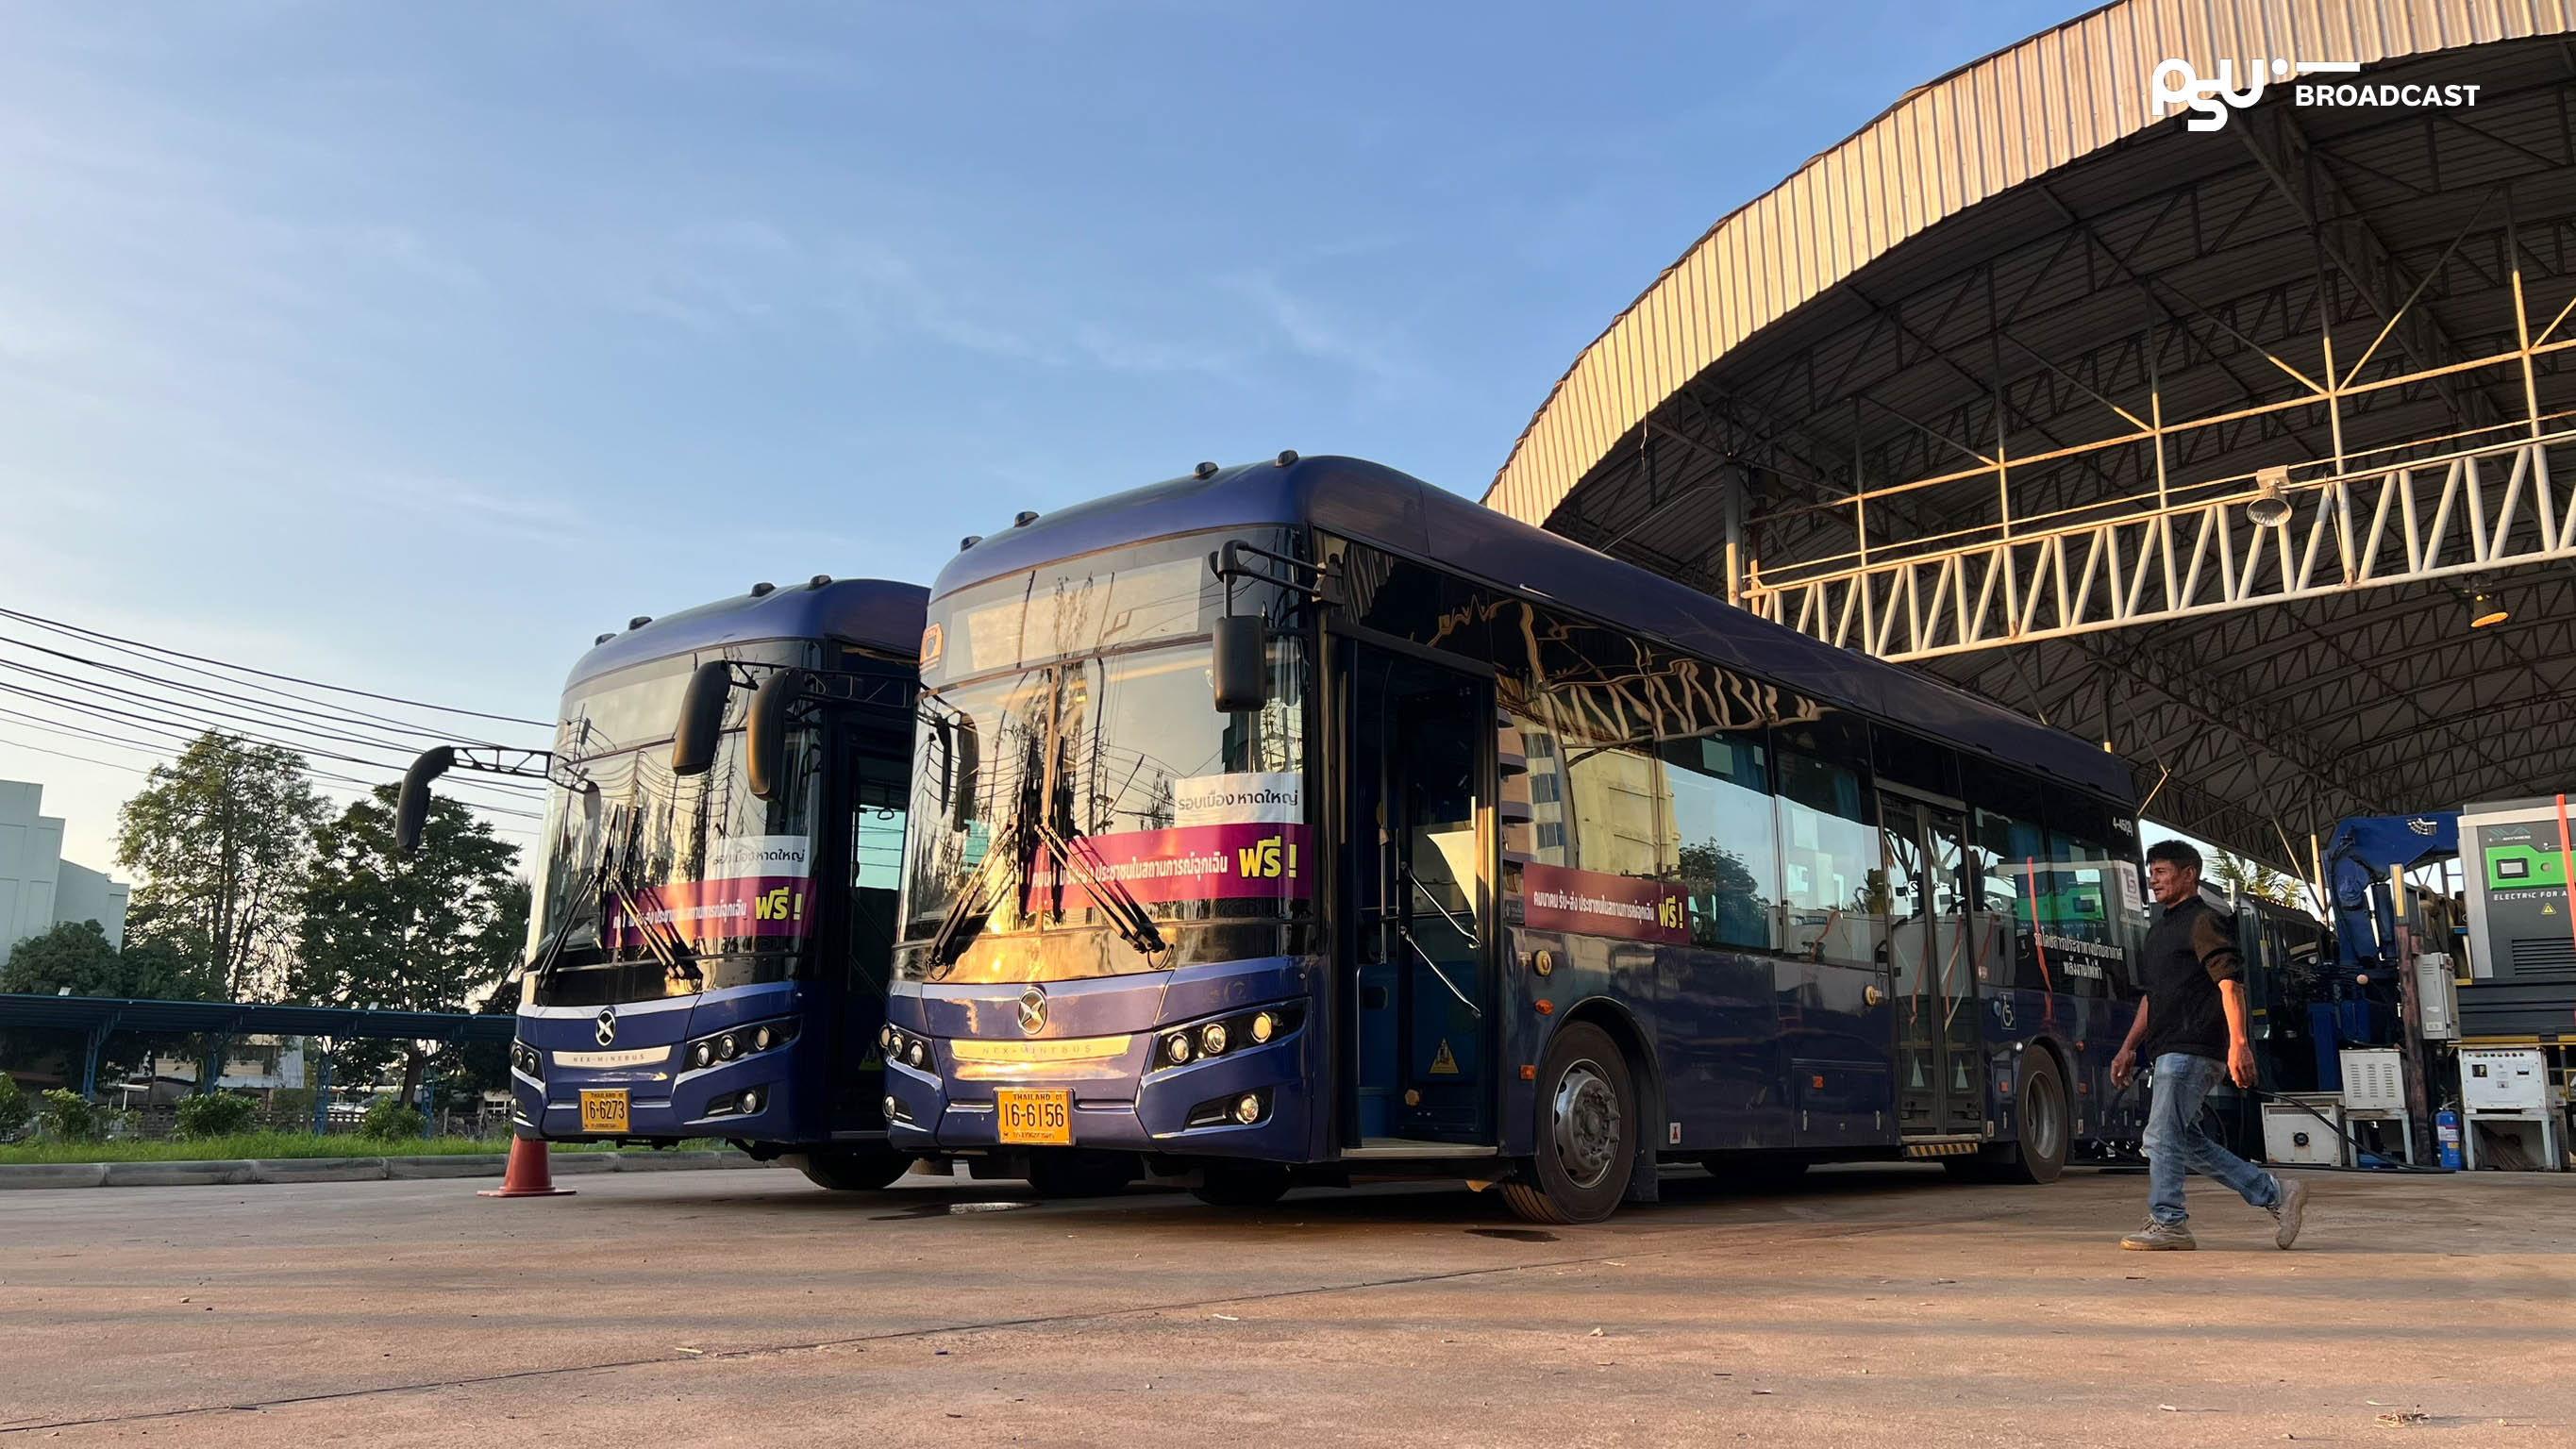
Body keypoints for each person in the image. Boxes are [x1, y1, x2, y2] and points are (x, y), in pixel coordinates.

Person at [2109, 840, 2309, 1250]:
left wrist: (2239, 1045)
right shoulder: (2159, 930)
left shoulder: (2204, 921)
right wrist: (2128, 1046)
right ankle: (2274, 1192)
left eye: (2162, 872)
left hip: (2194, 1046)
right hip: (2168, 1048)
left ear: (2189, 874)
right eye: (2151, 873)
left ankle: (2169, 1221)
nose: (2153, 880)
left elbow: (2230, 985)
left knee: (2160, 1138)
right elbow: (2153, 996)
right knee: (2182, 1139)